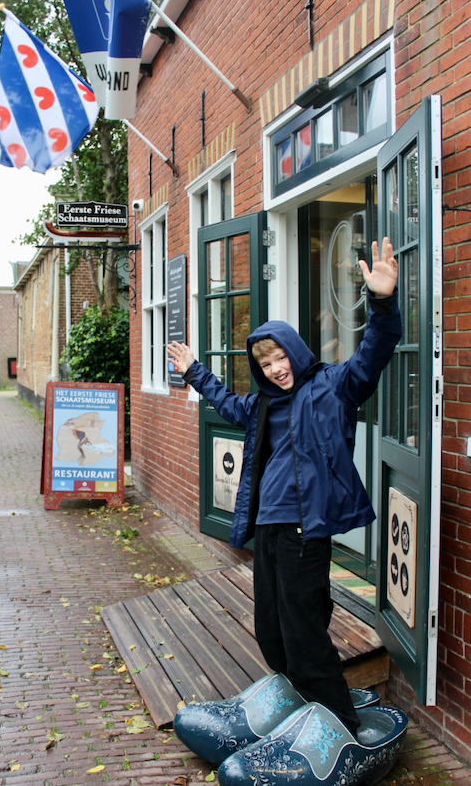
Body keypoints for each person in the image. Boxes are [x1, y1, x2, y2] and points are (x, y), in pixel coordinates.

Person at [167, 237, 401, 734]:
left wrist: (381, 301)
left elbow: (374, 354)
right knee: (272, 633)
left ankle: (339, 726)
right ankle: (300, 703)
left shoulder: (334, 386)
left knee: (303, 633)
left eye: (280, 357)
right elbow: (229, 405)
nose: (275, 368)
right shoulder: (265, 406)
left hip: (305, 530)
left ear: (294, 351)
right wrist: (194, 372)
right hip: (268, 529)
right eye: (265, 363)